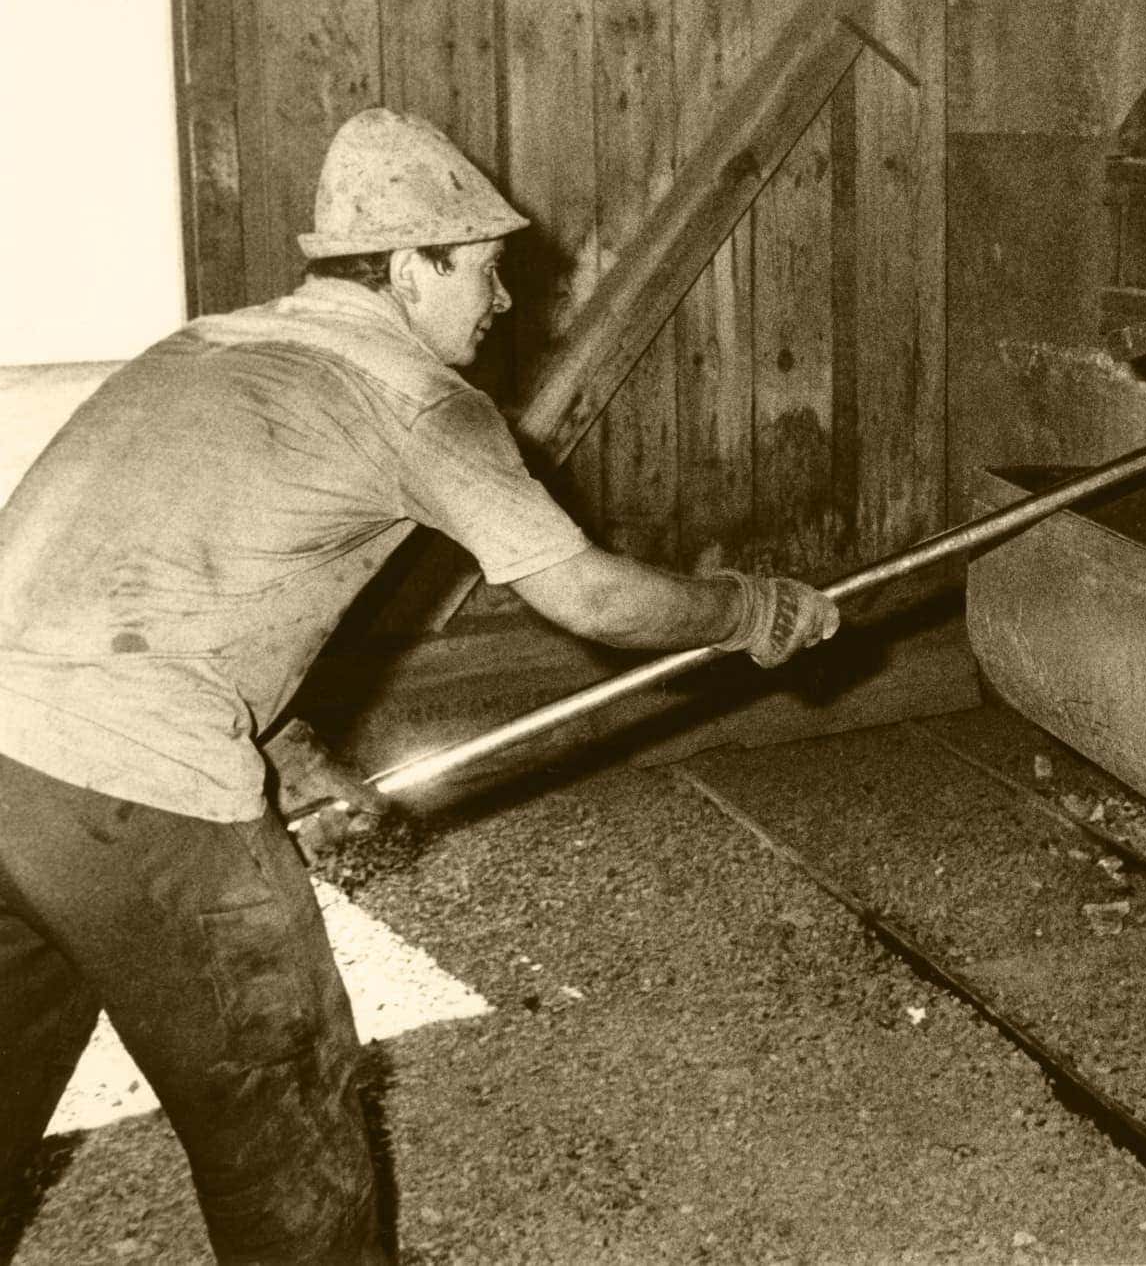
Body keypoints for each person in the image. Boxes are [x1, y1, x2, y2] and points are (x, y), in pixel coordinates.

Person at [0, 108, 839, 1262]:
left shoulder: (197, 348)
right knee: (288, 1114)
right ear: (409, 269)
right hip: (131, 785)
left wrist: (287, 752)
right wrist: (754, 610)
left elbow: (155, 589)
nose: (502, 306)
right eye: (485, 273)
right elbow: (586, 597)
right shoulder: (418, 398)